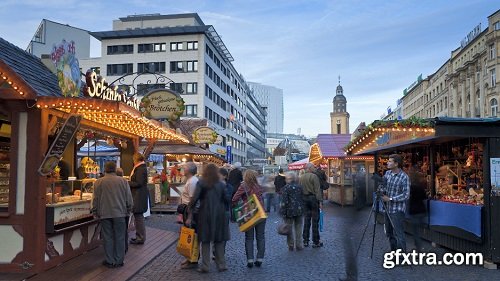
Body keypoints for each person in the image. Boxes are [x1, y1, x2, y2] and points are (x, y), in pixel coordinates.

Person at [187, 164, 230, 273]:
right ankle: (221, 264)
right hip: (219, 214)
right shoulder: (221, 184)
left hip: (205, 213)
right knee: (219, 240)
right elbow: (227, 199)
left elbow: (195, 198)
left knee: (205, 240)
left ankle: (205, 265)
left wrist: (190, 208)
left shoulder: (201, 182)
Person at [92, 161, 133, 268]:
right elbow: (129, 198)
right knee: (120, 237)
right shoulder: (123, 181)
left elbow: (95, 199)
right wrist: (129, 208)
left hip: (105, 213)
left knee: (107, 237)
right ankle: (119, 260)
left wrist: (95, 211)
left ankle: (109, 260)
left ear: (105, 169)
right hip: (120, 213)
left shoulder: (99, 182)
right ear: (115, 169)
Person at [232, 169, 266, 268]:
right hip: (260, 212)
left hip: (249, 213)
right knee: (261, 236)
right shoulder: (259, 185)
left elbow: (234, 199)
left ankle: (250, 260)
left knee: (249, 238)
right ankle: (260, 259)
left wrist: (240, 203)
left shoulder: (244, 186)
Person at [381, 154, 410, 252]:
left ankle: (402, 257)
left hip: (397, 210)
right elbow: (383, 187)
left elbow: (406, 195)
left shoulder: (404, 177)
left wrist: (390, 199)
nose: (387, 163)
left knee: (398, 233)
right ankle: (394, 252)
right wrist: (381, 190)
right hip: (387, 209)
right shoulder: (387, 173)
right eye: (388, 161)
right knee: (389, 233)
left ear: (396, 164)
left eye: (390, 161)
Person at [180, 162, 199, 269]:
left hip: (190, 211)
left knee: (191, 235)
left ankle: (192, 260)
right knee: (190, 235)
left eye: (185, 167)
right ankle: (190, 258)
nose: (183, 168)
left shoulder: (192, 182)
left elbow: (193, 201)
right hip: (188, 210)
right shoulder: (191, 180)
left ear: (189, 170)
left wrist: (190, 217)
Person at [300, 163, 323, 248]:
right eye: (313, 166)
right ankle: (315, 241)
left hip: (304, 199)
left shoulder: (301, 177)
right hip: (313, 199)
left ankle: (305, 240)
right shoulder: (314, 177)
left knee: (306, 220)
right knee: (315, 221)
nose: (315, 167)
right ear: (309, 168)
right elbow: (317, 190)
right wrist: (320, 202)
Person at [280, 171, 304, 251]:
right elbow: (302, 198)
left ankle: (290, 244)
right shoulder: (300, 186)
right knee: (299, 227)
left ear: (288, 179)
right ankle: (299, 244)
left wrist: (283, 212)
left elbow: (284, 201)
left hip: (289, 211)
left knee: (289, 228)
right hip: (299, 210)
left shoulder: (286, 188)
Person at [129, 153, 148, 245]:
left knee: (138, 217)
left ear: (136, 159)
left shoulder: (140, 169)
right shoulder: (141, 168)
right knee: (138, 217)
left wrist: (127, 183)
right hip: (139, 195)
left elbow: (138, 183)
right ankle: (139, 236)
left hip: (138, 196)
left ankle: (140, 237)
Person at [408, 165, 427, 252]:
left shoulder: (410, 187)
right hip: (421, 210)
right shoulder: (420, 187)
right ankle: (420, 246)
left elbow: (408, 198)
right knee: (419, 230)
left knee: (415, 232)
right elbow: (424, 197)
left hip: (414, 211)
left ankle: (419, 248)